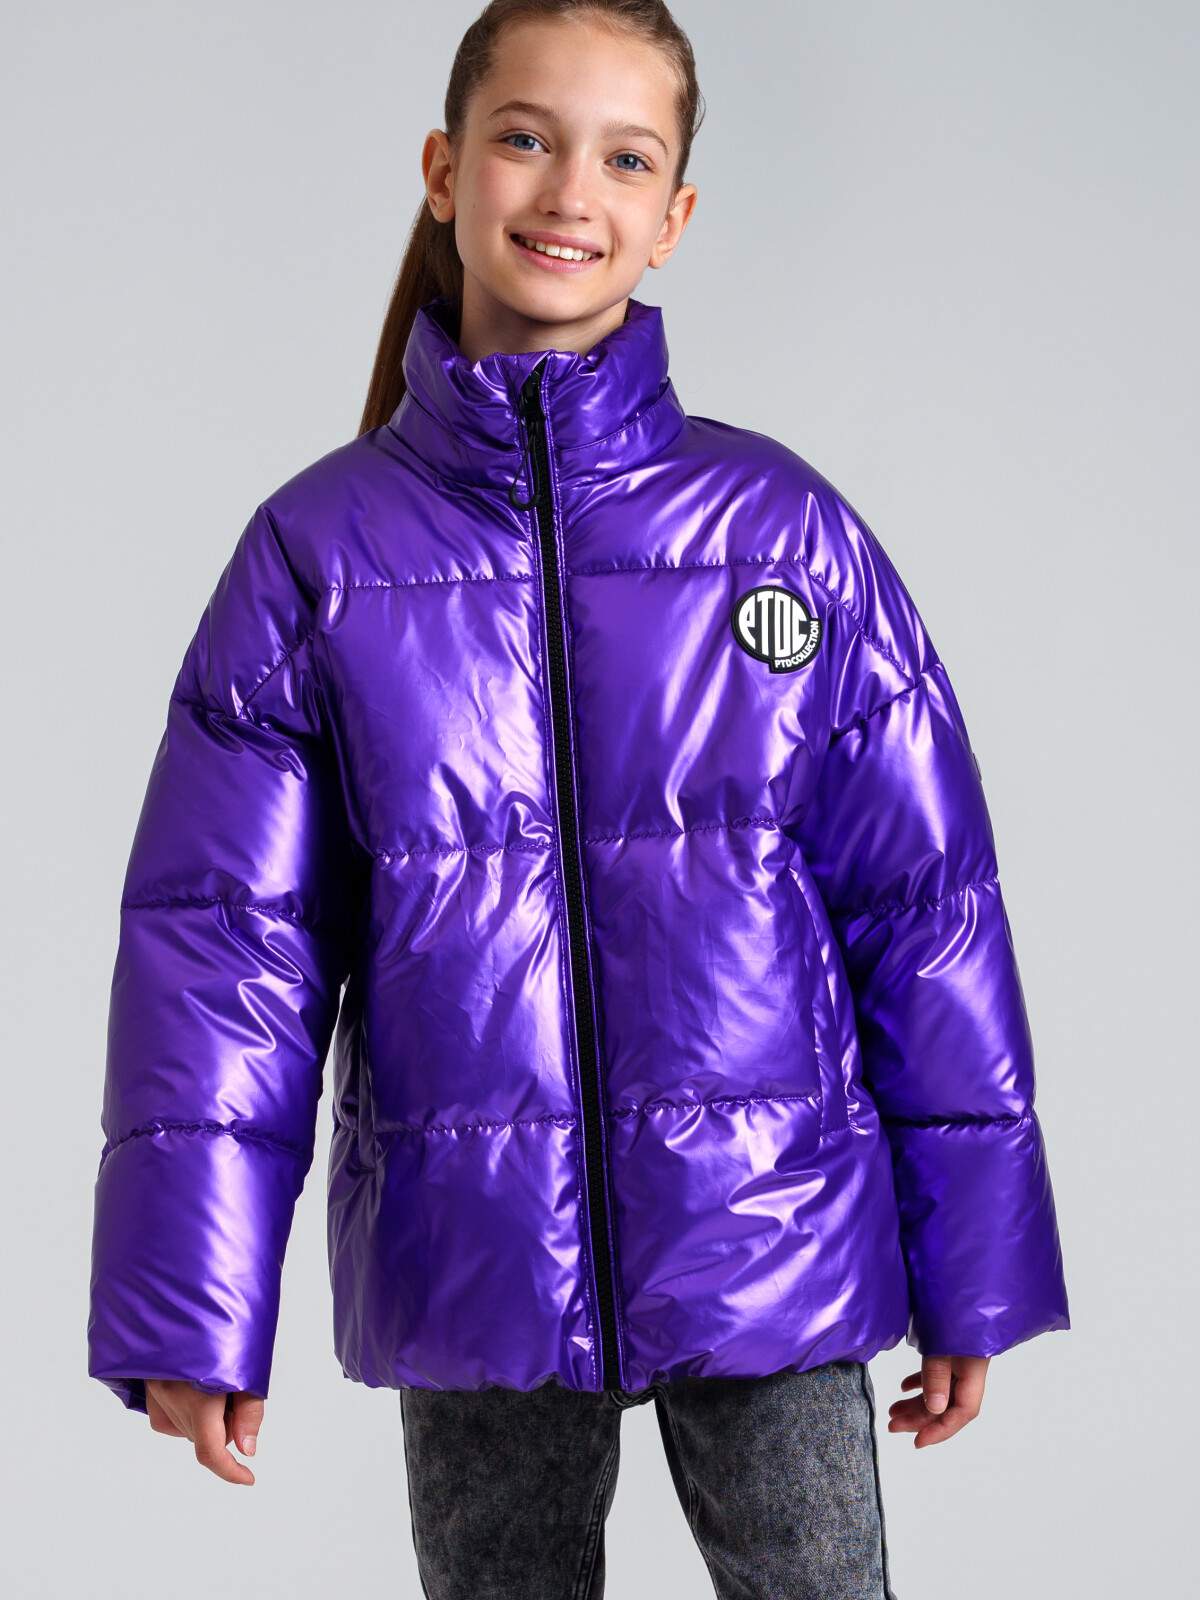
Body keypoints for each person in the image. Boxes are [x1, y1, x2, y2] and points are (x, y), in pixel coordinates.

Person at [86, 1, 1071, 1595]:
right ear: (444, 168)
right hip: (473, 1246)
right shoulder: (317, 560)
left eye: (625, 158)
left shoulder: (782, 535)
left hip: (771, 1233)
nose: (568, 192)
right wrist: (193, 1310)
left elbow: (923, 908)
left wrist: (973, 1264)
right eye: (526, 138)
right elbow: (227, 947)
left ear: (674, 214)